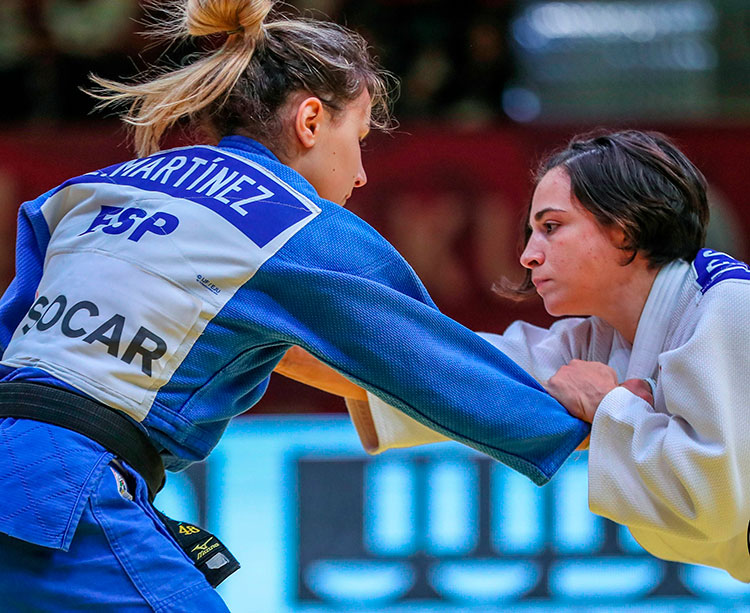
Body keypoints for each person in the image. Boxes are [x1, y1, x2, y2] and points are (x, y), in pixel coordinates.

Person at [0, 1, 589, 610]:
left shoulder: (88, 191)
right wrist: (588, 419)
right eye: (358, 139)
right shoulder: (301, 226)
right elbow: (439, 369)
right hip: (63, 488)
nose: (361, 175)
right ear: (311, 120)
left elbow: (18, 343)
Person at [277, 129, 750, 582]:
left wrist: (609, 407)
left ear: (625, 228)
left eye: (551, 227)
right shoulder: (590, 341)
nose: (527, 254)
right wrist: (255, 317)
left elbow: (712, 504)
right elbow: (443, 374)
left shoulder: (726, 307)